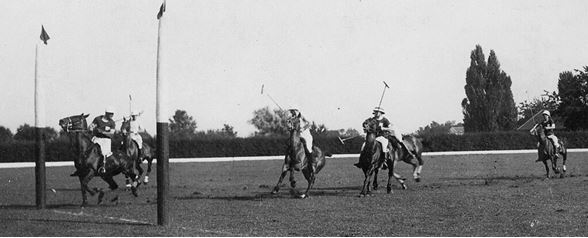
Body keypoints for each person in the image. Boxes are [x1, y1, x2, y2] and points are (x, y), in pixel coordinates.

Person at [89, 107, 116, 174]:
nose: (112, 115)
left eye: (112, 114)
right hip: (97, 138)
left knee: (104, 153)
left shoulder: (112, 122)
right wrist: (92, 128)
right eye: (110, 114)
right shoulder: (97, 119)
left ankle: (103, 167)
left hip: (106, 140)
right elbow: (91, 127)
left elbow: (111, 133)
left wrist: (102, 132)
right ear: (106, 113)